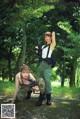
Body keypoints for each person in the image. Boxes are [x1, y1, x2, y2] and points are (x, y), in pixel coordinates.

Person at [35, 31, 56, 106]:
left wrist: (53, 33)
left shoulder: (51, 45)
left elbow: (54, 41)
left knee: (47, 81)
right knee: (41, 81)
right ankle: (41, 97)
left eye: (47, 36)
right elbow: (39, 54)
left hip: (47, 65)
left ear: (50, 37)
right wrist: (37, 50)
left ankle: (49, 98)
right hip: (41, 65)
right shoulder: (43, 46)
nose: (46, 37)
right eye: (45, 36)